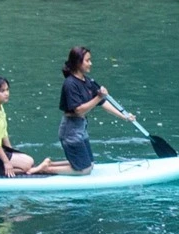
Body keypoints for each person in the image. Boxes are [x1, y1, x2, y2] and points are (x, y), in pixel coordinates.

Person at [54, 45, 131, 174]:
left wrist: (125, 117)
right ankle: (45, 169)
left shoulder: (87, 81)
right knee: (85, 170)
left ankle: (49, 164)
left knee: (90, 164)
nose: (91, 63)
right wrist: (98, 96)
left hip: (80, 128)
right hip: (70, 130)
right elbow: (78, 110)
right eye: (87, 60)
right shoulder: (70, 84)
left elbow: (103, 102)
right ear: (78, 62)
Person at [0, 77, 56, 177]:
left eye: (7, 90)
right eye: (2, 91)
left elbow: (3, 133)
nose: (6, 93)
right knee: (27, 165)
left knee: (29, 160)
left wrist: (11, 152)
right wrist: (7, 162)